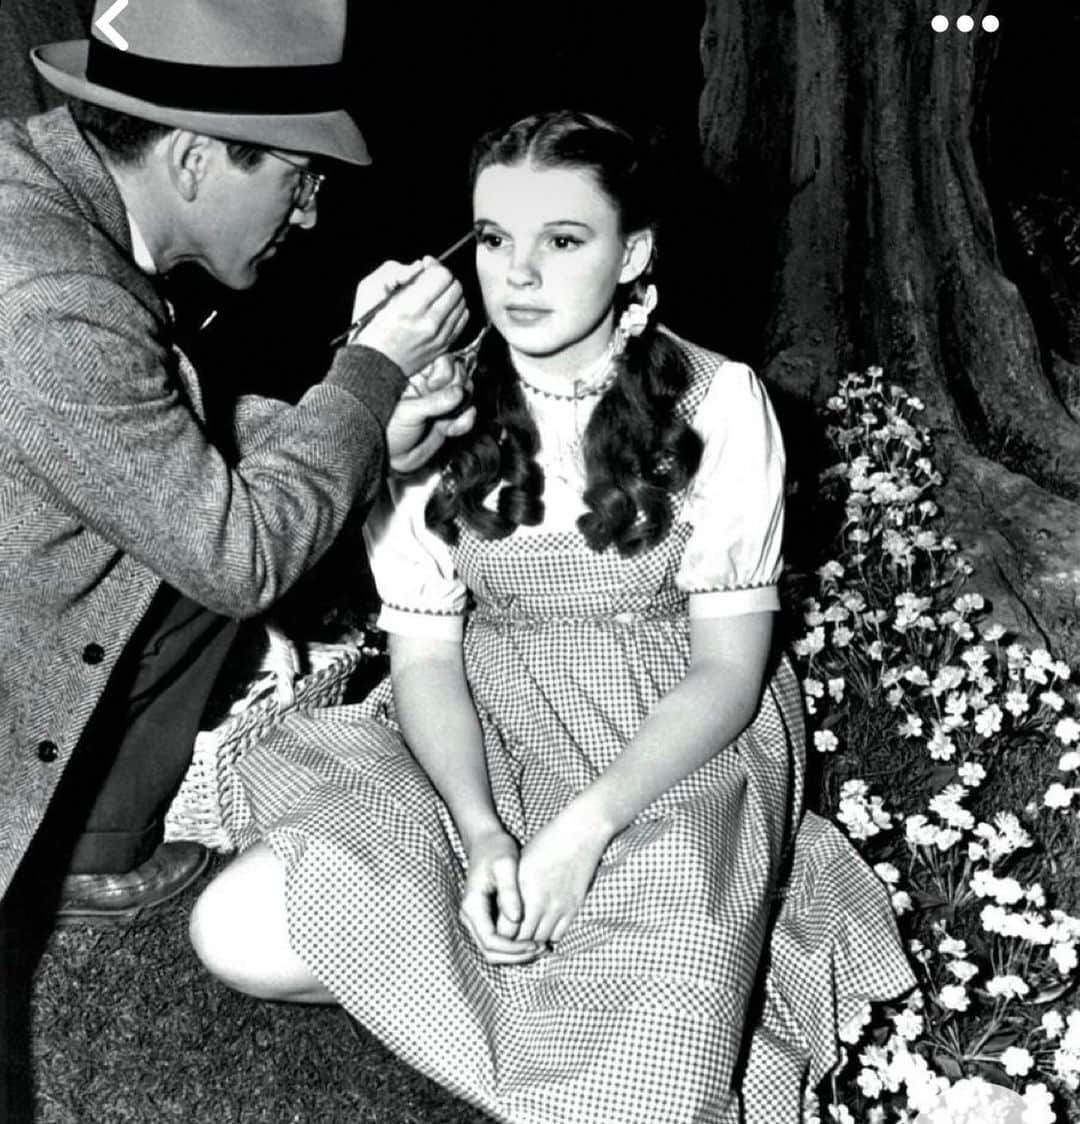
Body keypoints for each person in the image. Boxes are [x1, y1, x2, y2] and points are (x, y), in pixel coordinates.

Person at [190, 110, 915, 1123]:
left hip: (671, 739)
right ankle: (542, 979)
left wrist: (578, 837)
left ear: (635, 253)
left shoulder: (718, 402)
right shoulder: (435, 410)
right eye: (494, 239)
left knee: (646, 1094)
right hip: (485, 723)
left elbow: (729, 674)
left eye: (563, 240)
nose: (519, 275)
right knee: (235, 931)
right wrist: (483, 833)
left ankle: (608, 979)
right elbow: (429, 652)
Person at [0, 0, 473, 942]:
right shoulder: (56, 304)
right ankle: (74, 838)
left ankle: (94, 844)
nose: (305, 213)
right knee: (226, 541)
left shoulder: (50, 197)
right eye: (299, 179)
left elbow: (147, 426)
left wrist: (363, 435)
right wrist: (370, 375)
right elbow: (242, 556)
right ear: (191, 158)